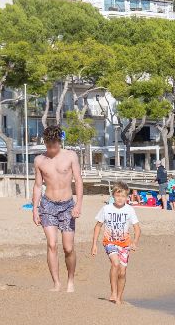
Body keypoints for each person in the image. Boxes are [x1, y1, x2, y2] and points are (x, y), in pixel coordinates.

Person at [32, 125, 84, 292]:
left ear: (59, 142)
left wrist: (78, 204)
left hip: (68, 205)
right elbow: (38, 186)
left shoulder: (70, 156)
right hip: (47, 205)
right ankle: (56, 283)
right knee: (52, 244)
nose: (51, 149)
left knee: (68, 248)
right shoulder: (39, 160)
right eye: (48, 145)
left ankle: (70, 280)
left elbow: (79, 180)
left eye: (53, 145)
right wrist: (34, 209)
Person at [91, 185, 142, 305]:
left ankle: (119, 298)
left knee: (122, 272)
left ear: (127, 197)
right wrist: (94, 245)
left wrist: (135, 242)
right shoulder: (106, 209)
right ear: (113, 196)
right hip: (110, 242)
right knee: (115, 263)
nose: (120, 198)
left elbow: (137, 229)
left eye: (123, 196)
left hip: (125, 244)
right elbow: (98, 226)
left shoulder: (129, 210)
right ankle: (113, 292)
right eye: (117, 195)